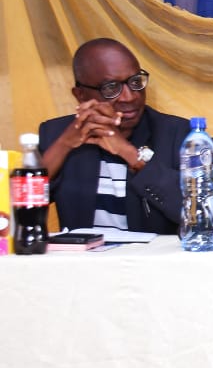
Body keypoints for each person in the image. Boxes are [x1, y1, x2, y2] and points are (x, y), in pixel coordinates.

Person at [39, 38, 190, 233]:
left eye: (135, 82)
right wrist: (64, 144)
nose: (130, 96)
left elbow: (198, 213)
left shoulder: (176, 133)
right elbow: (17, 208)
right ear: (80, 95)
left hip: (152, 253)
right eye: (111, 87)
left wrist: (129, 153)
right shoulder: (56, 134)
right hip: (83, 253)